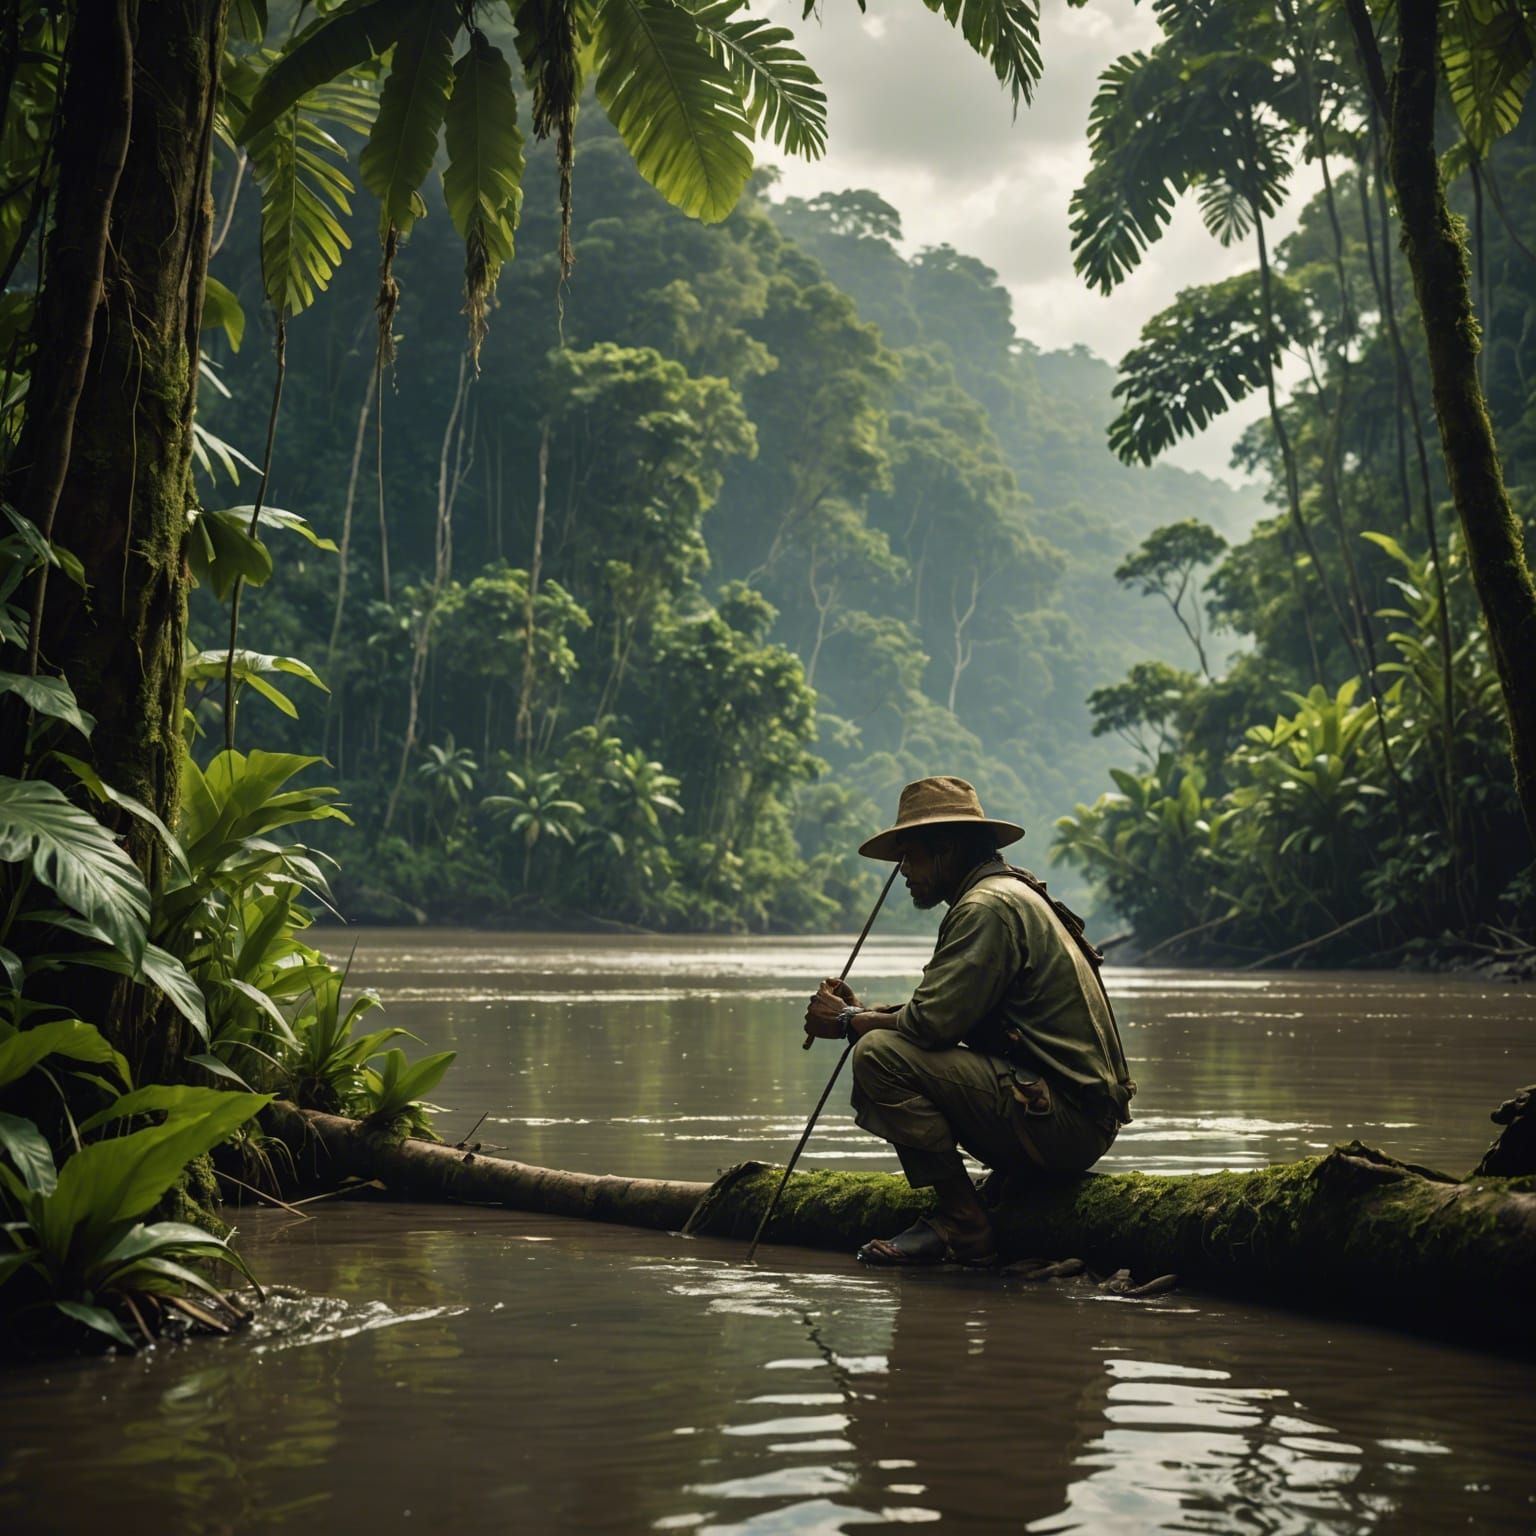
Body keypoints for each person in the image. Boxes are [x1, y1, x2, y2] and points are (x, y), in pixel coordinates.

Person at [803, 775, 1135, 1267]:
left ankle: (962, 1222)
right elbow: (948, 1012)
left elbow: (928, 1028)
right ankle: (1004, 1187)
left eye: (911, 857)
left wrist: (850, 1022)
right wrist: (865, 1014)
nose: (906, 873)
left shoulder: (985, 908)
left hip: (1067, 1124)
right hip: (1077, 1116)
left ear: (947, 850)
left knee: (878, 1056)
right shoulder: (1008, 892)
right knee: (883, 1042)